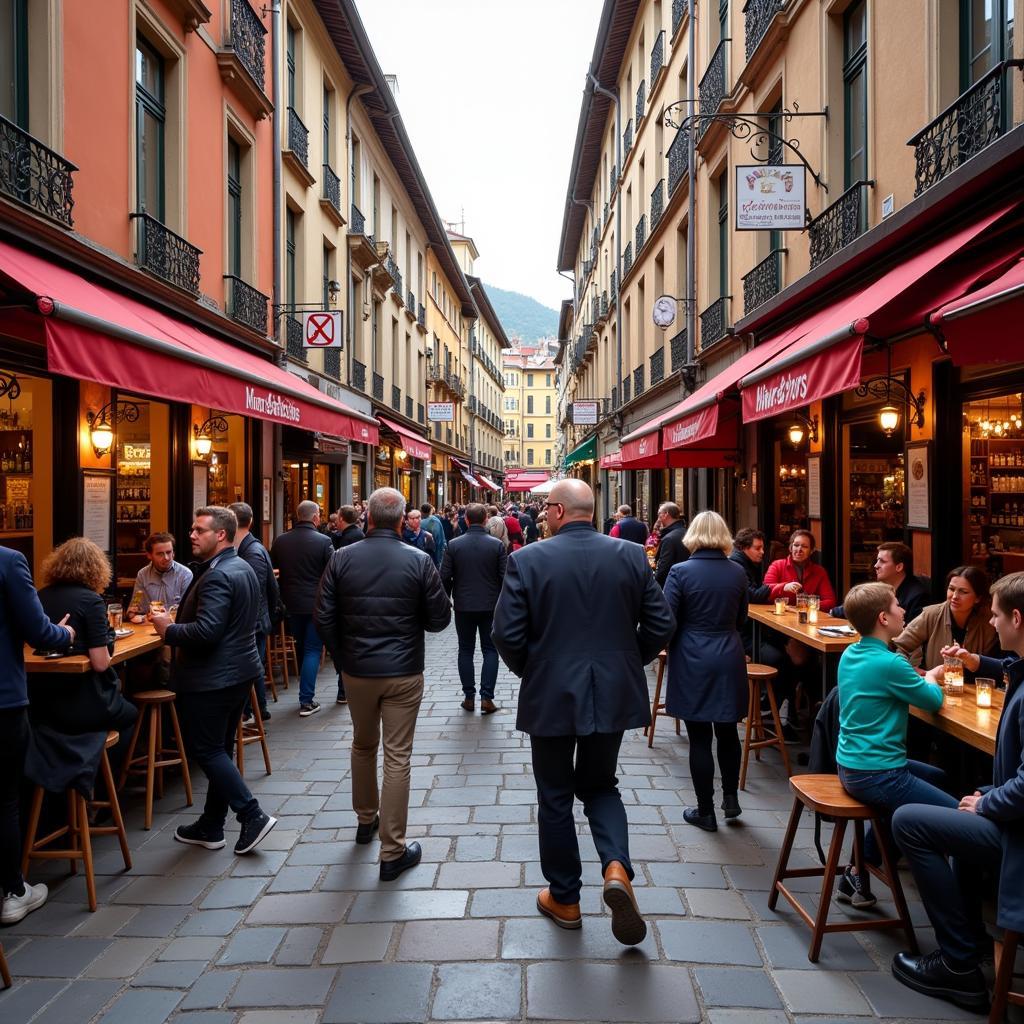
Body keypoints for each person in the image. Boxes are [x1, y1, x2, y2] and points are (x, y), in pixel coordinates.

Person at [492, 479, 675, 946]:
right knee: (600, 784)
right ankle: (616, 867)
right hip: (611, 692)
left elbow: (506, 634)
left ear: (555, 511)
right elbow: (661, 623)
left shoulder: (527, 559)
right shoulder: (630, 556)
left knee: (554, 793)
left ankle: (566, 898)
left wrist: (534, 669)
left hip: (551, 692)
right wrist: (625, 660)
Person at [889, 570, 1024, 1012]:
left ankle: (958, 964)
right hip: (1010, 814)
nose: (995, 623)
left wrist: (988, 802)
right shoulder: (1015, 669)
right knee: (956, 794)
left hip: (1017, 834)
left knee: (910, 820)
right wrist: (976, 663)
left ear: (1017, 619)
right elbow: (1003, 667)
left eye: (999, 616)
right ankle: (971, 938)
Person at [315, 487, 450, 880]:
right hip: (403, 671)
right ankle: (392, 851)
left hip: (357, 671)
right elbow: (440, 619)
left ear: (369, 518)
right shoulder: (420, 560)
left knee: (362, 744)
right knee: (397, 756)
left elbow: (323, 616)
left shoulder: (341, 558)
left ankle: (364, 819)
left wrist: (344, 659)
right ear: (401, 519)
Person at [152, 506, 276, 856]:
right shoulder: (241, 567)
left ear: (220, 534)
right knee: (220, 748)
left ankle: (251, 814)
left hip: (213, 678)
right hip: (238, 673)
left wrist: (169, 630)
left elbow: (208, 631)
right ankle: (211, 824)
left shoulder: (220, 574)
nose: (191, 535)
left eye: (198, 530)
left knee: (206, 749)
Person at [834, 581, 954, 909]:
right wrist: (930, 676)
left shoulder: (850, 653)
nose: (903, 609)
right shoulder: (891, 664)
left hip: (851, 765)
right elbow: (931, 700)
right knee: (959, 817)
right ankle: (957, 897)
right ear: (883, 619)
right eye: (897, 605)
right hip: (880, 774)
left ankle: (857, 871)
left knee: (937, 777)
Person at [0, 547, 74, 925]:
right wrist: (66, 632)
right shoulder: (8, 561)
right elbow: (38, 631)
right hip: (3, 700)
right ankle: (13, 890)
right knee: (6, 798)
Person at [663, 511, 749, 832]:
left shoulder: (680, 572)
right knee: (727, 730)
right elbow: (741, 619)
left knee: (699, 736)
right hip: (728, 653)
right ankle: (730, 797)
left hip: (692, 656)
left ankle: (705, 810)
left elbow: (668, 619)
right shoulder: (738, 573)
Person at [34, 538, 138, 744]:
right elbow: (100, 663)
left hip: (41, 699)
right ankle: (111, 773)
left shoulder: (40, 596)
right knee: (131, 713)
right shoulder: (91, 600)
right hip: (83, 700)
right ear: (97, 568)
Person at [440, 502, 507, 714]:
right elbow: (505, 577)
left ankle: (469, 696)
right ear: (486, 519)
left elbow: (444, 577)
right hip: (490, 605)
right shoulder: (496, 545)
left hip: (464, 606)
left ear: (466, 520)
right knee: (490, 650)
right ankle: (487, 697)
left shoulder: (453, 545)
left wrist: (447, 599)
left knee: (466, 649)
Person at [270, 500, 334, 717]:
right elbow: (332, 572)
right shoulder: (324, 541)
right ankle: (306, 700)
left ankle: (305, 694)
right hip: (317, 603)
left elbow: (274, 568)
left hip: (291, 603)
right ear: (315, 517)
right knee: (312, 649)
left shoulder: (281, 541)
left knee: (302, 645)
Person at [893, 565, 998, 677]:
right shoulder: (931, 614)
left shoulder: (989, 621)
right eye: (951, 589)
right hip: (936, 685)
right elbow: (899, 646)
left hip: (974, 688)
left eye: (963, 592)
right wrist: (907, 671)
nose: (955, 596)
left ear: (978, 598)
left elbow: (994, 663)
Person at [229, 501, 279, 721]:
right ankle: (259, 707)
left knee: (253, 665)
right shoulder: (247, 547)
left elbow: (257, 590)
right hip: (256, 619)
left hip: (254, 621)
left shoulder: (253, 551)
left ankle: (254, 708)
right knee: (254, 664)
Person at [832, 542, 929, 624]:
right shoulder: (880, 589)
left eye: (882, 561)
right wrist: (832, 612)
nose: (876, 565)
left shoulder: (917, 597)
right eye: (877, 560)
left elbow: (912, 635)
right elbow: (852, 607)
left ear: (899, 567)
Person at [763, 529, 837, 611]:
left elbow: (830, 602)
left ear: (811, 551)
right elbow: (765, 593)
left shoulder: (819, 571)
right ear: (790, 548)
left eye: (804, 546)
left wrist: (807, 605)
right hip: (779, 617)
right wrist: (784, 587)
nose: (799, 550)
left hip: (808, 619)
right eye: (796, 545)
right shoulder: (777, 565)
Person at [127, 532, 192, 622]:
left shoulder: (185, 575)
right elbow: (134, 608)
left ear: (173, 553)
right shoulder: (143, 575)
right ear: (149, 555)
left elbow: (187, 612)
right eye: (160, 554)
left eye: (169, 552)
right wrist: (133, 614)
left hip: (175, 628)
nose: (166, 557)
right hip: (148, 629)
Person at [654, 502, 688, 587]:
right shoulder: (686, 532)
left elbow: (663, 568)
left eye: (659, 514)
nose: (658, 519)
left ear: (666, 514)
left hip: (672, 585)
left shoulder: (669, 538)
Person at [419, 502, 446, 568]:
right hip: (435, 554)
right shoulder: (436, 521)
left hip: (422, 556)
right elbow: (440, 540)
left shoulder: (419, 523)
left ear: (421, 511)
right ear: (430, 511)